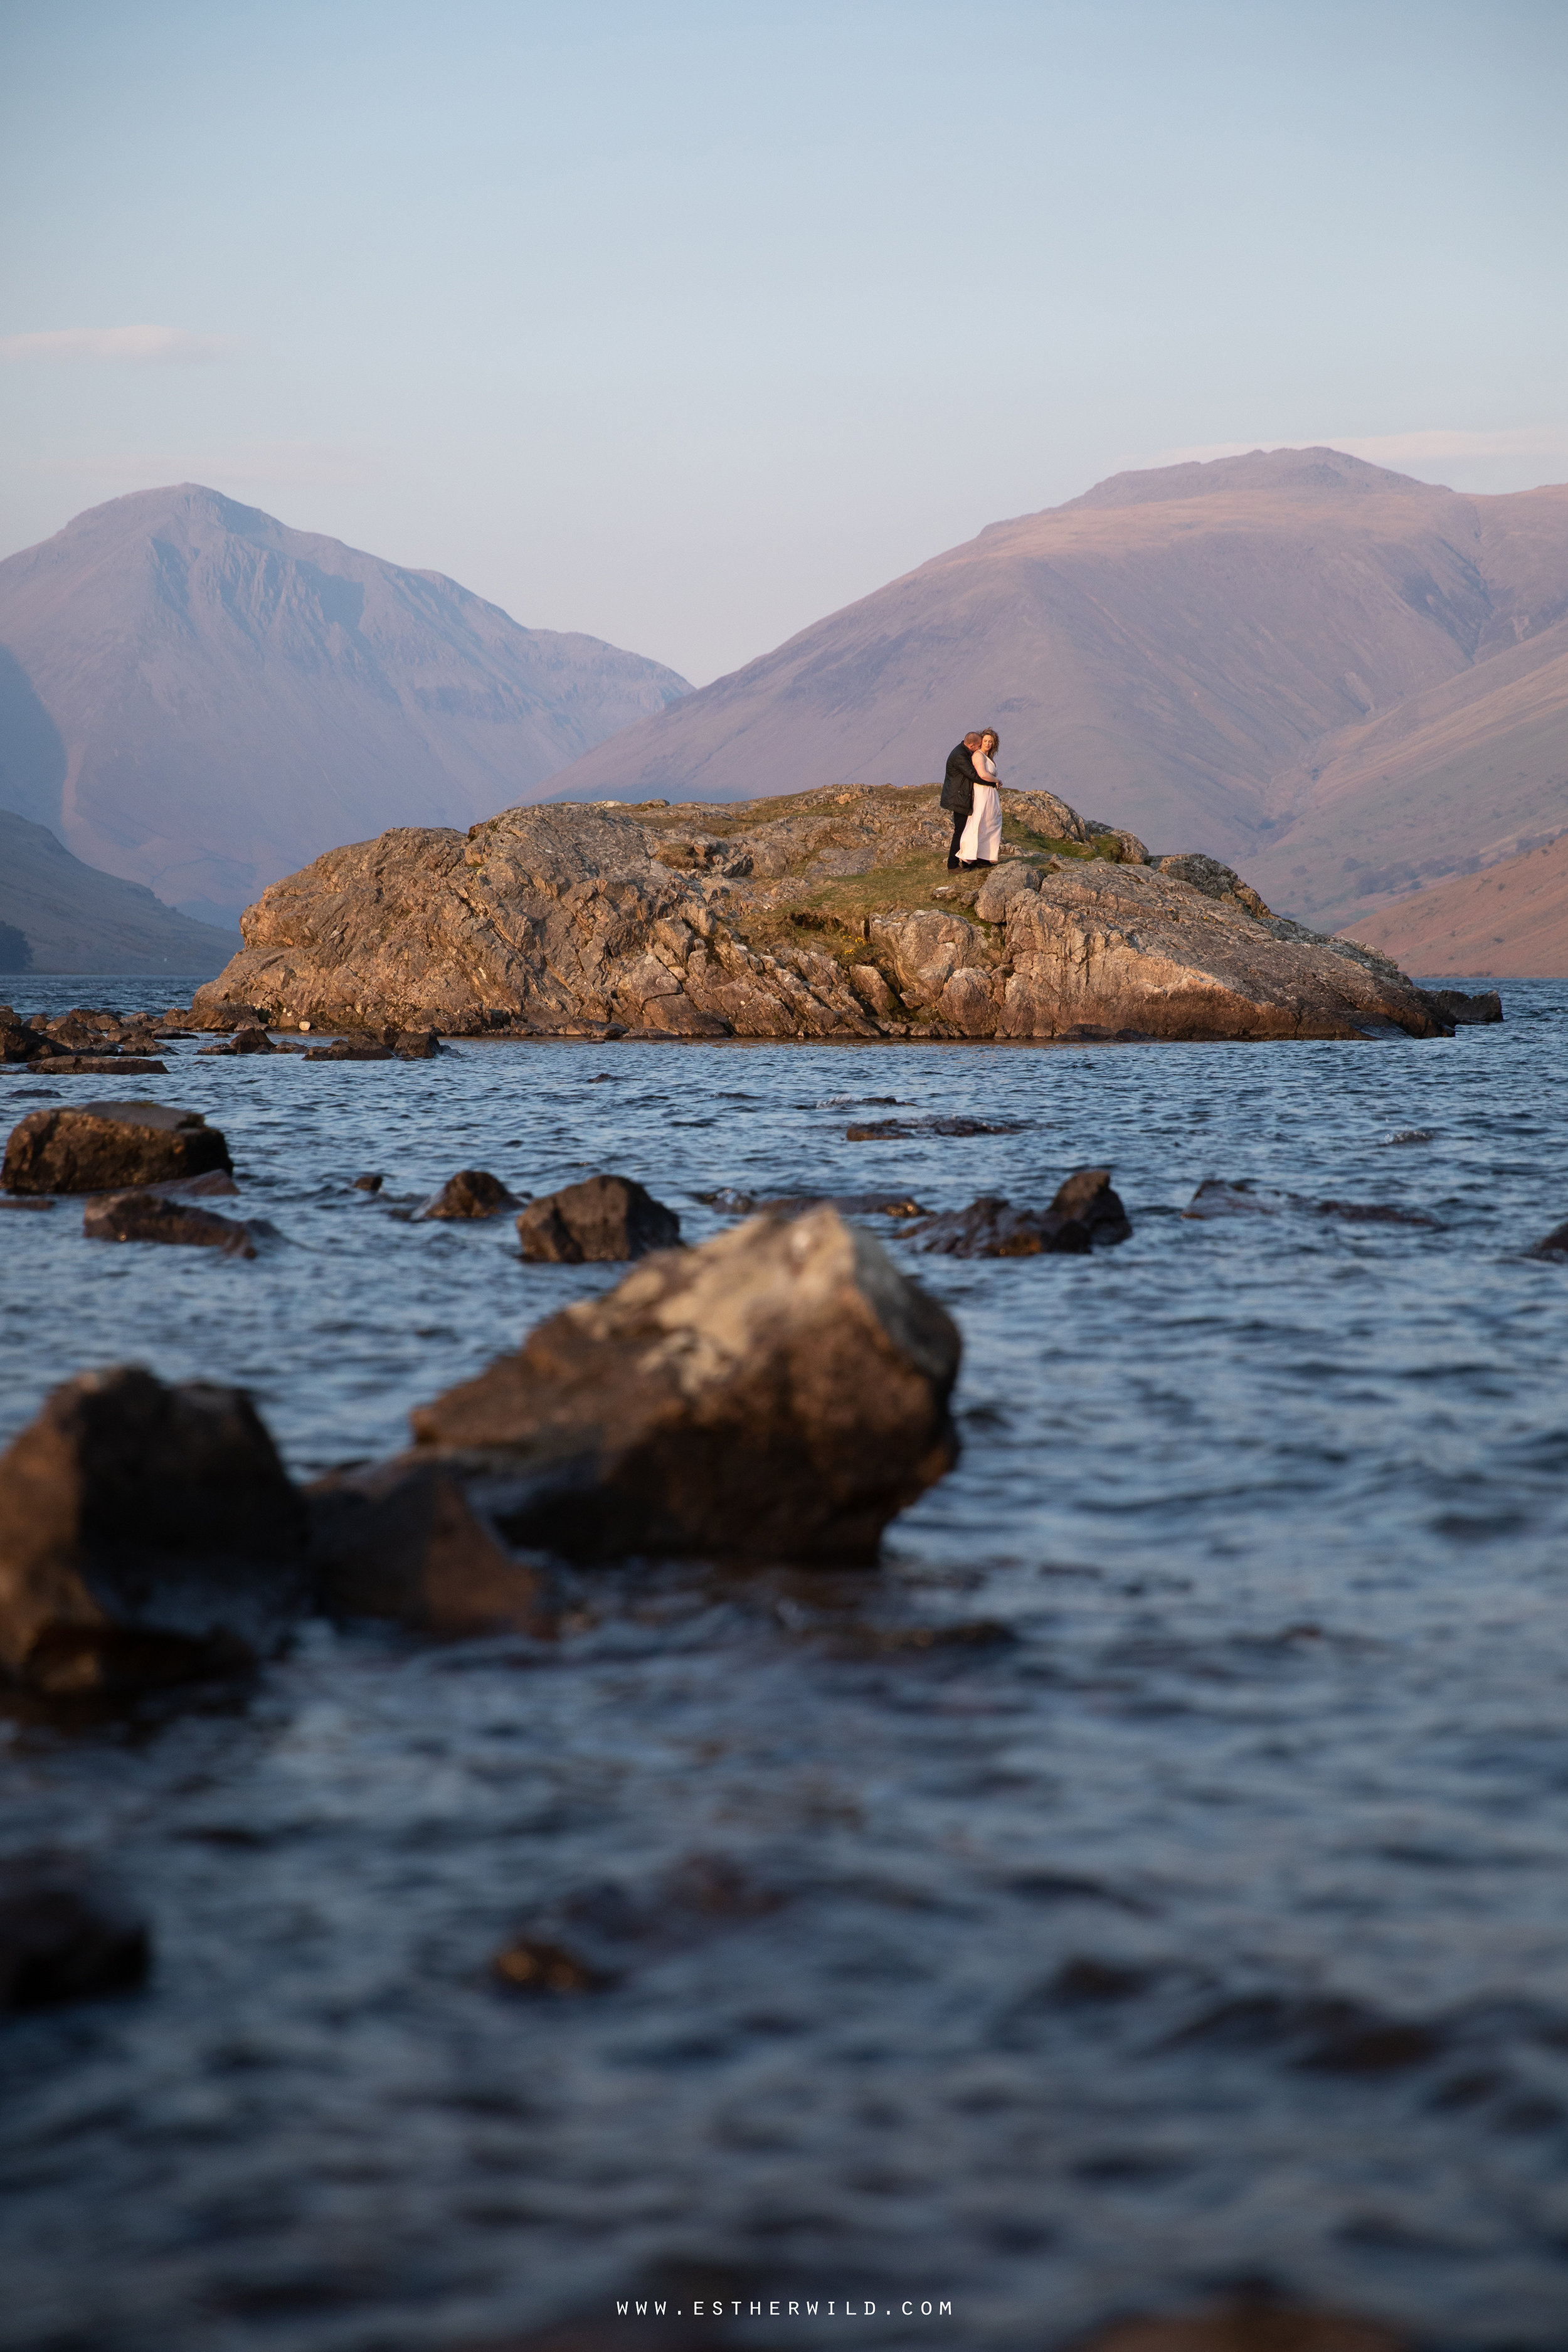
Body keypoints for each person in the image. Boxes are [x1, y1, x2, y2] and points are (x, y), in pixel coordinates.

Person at [956, 728, 1002, 868]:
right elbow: (982, 774)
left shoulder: (988, 757)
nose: (988, 744)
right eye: (986, 741)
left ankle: (984, 857)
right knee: (978, 821)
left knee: (990, 823)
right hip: (982, 793)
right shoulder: (978, 755)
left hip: (990, 794)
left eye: (991, 742)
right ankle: (968, 857)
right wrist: (996, 780)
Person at [940, 732, 984, 869]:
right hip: (958, 799)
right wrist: (992, 782)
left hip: (960, 797)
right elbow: (973, 775)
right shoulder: (960, 756)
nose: (979, 749)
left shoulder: (963, 752)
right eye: (978, 747)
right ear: (972, 746)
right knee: (960, 831)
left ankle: (967, 860)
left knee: (965, 830)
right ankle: (952, 865)